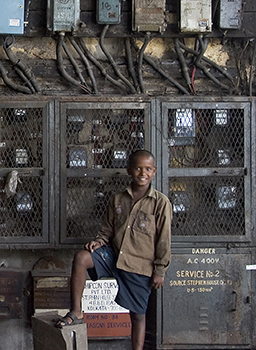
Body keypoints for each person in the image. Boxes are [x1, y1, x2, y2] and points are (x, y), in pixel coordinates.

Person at [55, 149, 172, 350]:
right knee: (82, 258)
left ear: (154, 172)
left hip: (139, 265)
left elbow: (164, 240)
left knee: (137, 315)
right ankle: (76, 311)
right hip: (114, 256)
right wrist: (99, 241)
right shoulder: (118, 198)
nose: (142, 173)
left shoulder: (160, 203)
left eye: (147, 169)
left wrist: (160, 271)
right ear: (129, 170)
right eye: (137, 168)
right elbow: (107, 229)